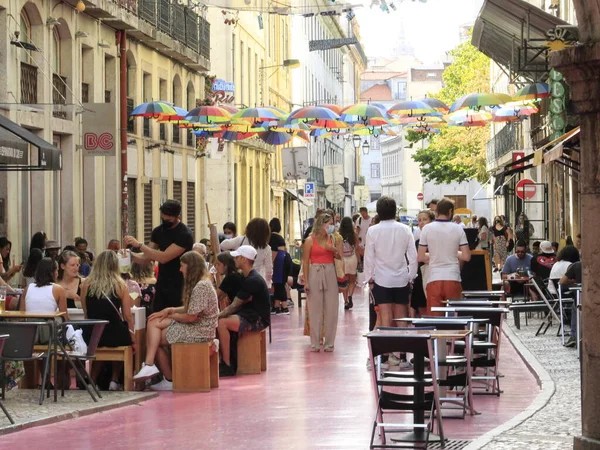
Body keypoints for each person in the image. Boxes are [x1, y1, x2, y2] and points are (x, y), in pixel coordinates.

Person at [132, 252, 218, 390]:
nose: (180, 269)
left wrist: (171, 315)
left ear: (190, 267)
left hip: (199, 329)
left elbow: (191, 316)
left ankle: (158, 371)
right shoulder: (203, 283)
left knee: (155, 336)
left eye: (182, 266)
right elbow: (191, 308)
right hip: (200, 326)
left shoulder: (201, 286)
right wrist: (171, 309)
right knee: (154, 325)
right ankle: (151, 367)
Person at [365, 197, 418, 366]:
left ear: (378, 213)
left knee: (384, 317)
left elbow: (369, 257)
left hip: (382, 278)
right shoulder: (405, 229)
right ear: (395, 211)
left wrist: (369, 277)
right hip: (401, 278)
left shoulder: (373, 231)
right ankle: (399, 354)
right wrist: (411, 275)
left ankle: (385, 355)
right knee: (402, 317)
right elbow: (413, 256)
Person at [124, 200, 194, 312]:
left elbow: (164, 257)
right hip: (162, 281)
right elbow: (147, 257)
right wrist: (129, 255)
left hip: (181, 281)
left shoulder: (184, 234)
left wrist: (140, 245)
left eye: (169, 220)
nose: (165, 222)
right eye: (163, 219)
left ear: (178, 217)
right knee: (157, 314)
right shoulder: (158, 231)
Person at [80, 251, 136, 391]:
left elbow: (86, 312)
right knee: (120, 337)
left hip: (92, 333)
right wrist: (133, 338)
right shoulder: (120, 284)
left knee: (101, 341)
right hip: (113, 333)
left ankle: (92, 380)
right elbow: (127, 316)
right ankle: (114, 379)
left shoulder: (86, 284)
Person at [217, 245, 271, 376]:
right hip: (251, 315)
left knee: (221, 323)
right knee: (222, 320)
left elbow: (234, 305)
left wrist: (216, 316)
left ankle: (227, 364)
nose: (234, 259)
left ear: (244, 260)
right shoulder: (249, 277)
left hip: (257, 319)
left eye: (237, 257)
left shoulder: (252, 280)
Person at [20, 257, 68, 388]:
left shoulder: (27, 289)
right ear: (51, 272)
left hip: (30, 335)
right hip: (48, 334)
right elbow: (64, 317)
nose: (58, 273)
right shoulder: (57, 289)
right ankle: (54, 378)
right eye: (56, 270)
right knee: (60, 337)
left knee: (38, 339)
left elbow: (21, 315)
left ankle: (32, 381)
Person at [418, 198, 471, 316]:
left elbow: (420, 257)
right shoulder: (458, 228)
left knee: (436, 320)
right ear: (450, 211)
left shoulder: (427, 229)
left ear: (436, 211)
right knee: (454, 319)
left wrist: (437, 254)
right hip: (453, 278)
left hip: (433, 279)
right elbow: (467, 256)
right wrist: (453, 253)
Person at [302, 213, 342, 352]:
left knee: (332, 307)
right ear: (321, 224)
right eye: (329, 223)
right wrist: (306, 281)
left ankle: (329, 342)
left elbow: (339, 256)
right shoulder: (309, 241)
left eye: (332, 223)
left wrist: (334, 250)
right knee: (315, 309)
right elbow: (306, 261)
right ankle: (315, 341)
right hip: (315, 271)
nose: (331, 226)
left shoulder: (333, 238)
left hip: (330, 271)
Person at [220, 218, 273, 289]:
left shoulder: (241, 240)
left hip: (240, 278)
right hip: (257, 281)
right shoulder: (267, 248)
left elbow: (223, 245)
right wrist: (268, 284)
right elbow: (269, 270)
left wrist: (232, 253)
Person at [411, 210, 435, 317]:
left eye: (425, 220)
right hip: (420, 274)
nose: (421, 223)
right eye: (419, 220)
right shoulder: (417, 241)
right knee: (420, 303)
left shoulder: (436, 238)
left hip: (433, 274)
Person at [338, 217, 359, 310]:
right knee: (352, 280)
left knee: (344, 281)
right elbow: (357, 248)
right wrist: (359, 261)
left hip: (343, 259)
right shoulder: (354, 234)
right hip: (352, 258)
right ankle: (350, 295)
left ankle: (345, 301)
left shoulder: (338, 235)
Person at [560, 261, 581, 348]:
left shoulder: (577, 265)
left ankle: (574, 335)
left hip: (581, 297)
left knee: (576, 305)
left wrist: (574, 280)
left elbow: (562, 281)